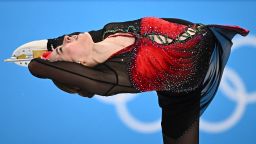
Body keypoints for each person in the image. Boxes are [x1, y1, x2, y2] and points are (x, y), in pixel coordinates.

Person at [27, 17, 249, 144]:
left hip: (194, 64)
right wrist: (38, 57)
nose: (66, 38)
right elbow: (36, 67)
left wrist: (50, 45)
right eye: (62, 48)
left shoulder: (107, 32)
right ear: (79, 66)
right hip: (190, 86)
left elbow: (64, 42)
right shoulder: (111, 78)